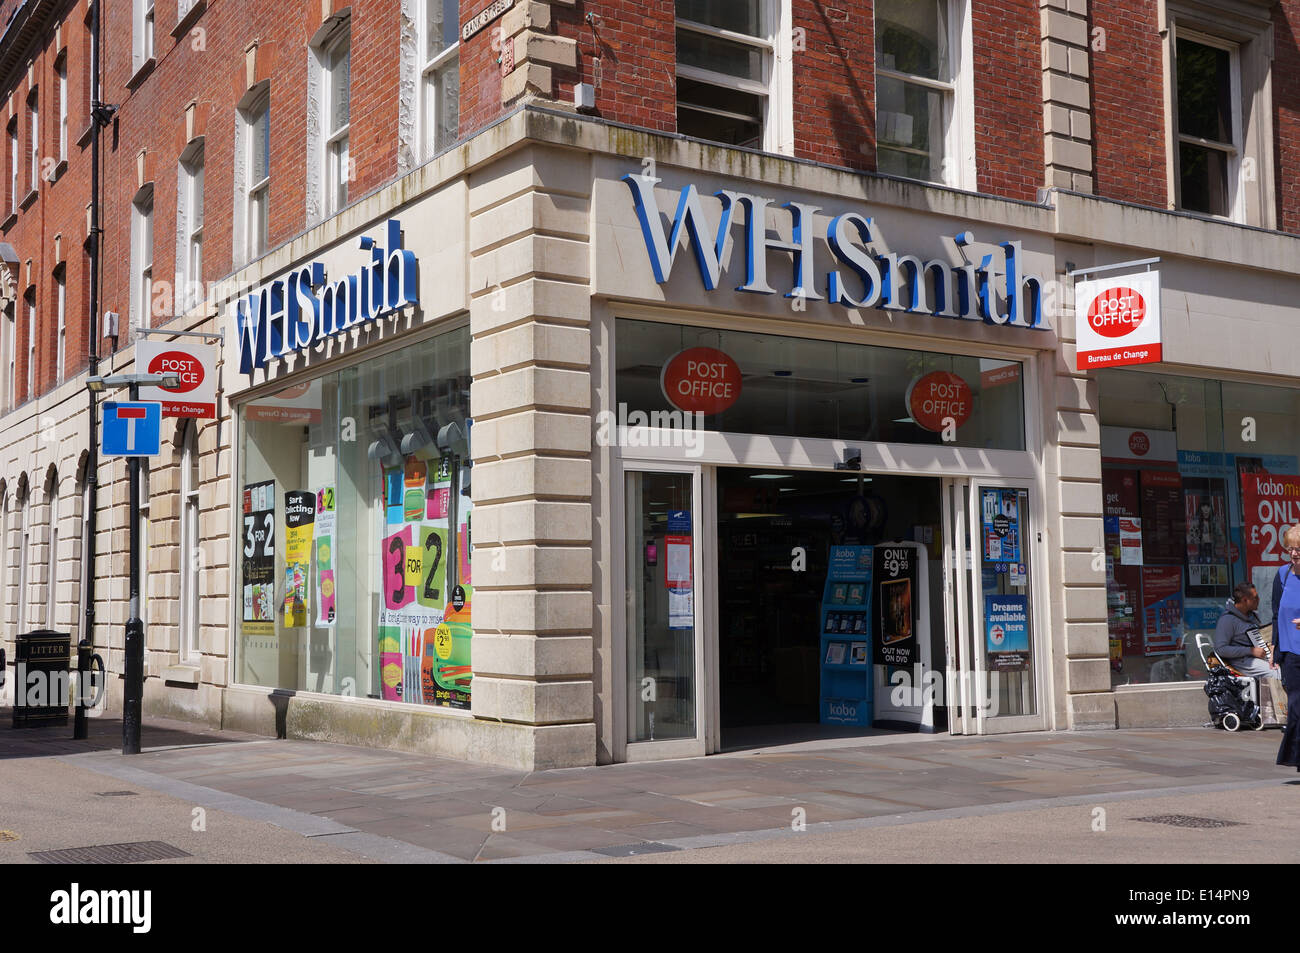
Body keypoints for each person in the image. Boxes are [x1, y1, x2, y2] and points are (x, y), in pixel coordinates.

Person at [1274, 524, 1300, 771]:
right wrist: (1275, 650)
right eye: (1291, 549)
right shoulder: (1282, 575)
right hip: (1291, 654)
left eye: (1299, 549)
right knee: (1295, 707)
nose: (1294, 553)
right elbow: (1275, 614)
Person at [1213, 582, 1274, 677]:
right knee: (1276, 672)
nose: (1258, 600)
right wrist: (1251, 651)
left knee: (1288, 667)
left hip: (1256, 657)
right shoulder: (1227, 620)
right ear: (1245, 600)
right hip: (1241, 661)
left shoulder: (1251, 616)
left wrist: (1268, 646)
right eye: (1255, 598)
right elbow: (1220, 649)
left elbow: (1258, 639)